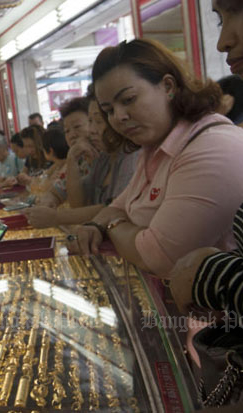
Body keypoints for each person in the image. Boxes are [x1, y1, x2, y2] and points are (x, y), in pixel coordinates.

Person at [71, 39, 243, 280]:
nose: (119, 117)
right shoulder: (156, 148)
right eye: (108, 110)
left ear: (168, 86)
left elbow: (158, 257)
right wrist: (96, 225)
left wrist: (112, 226)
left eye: (128, 99)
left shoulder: (212, 147)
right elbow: (117, 206)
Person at [169, 0, 243, 316]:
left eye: (237, 11)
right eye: (219, 20)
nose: (223, 41)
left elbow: (160, 251)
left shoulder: (212, 142)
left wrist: (209, 273)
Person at [24, 93, 139, 228]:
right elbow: (69, 198)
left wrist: (56, 217)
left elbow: (113, 209)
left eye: (78, 127)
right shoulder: (97, 158)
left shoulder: (130, 156)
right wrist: (72, 160)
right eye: (67, 131)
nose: (72, 135)